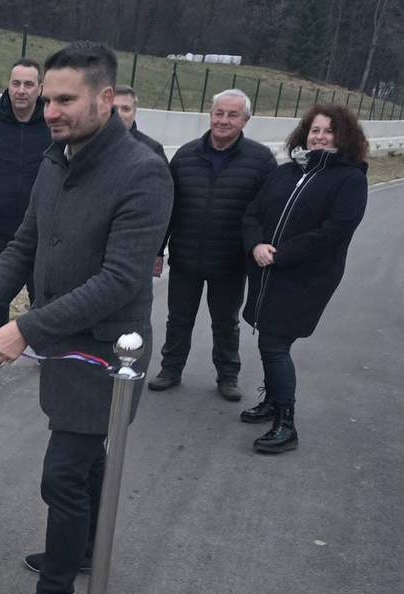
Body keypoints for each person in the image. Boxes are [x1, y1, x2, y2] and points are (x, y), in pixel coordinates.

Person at [0, 42, 171, 594]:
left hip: (106, 355)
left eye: (64, 99)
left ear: (105, 99)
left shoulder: (143, 173)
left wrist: (27, 328)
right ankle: (80, 547)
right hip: (61, 344)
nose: (50, 111)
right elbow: (26, 240)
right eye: (46, 98)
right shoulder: (56, 159)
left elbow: (119, 280)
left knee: (63, 474)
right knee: (87, 466)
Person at [241, 104, 370, 453]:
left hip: (305, 276)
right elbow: (252, 212)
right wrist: (255, 244)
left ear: (343, 137)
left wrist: (280, 254)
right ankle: (272, 402)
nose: (320, 137)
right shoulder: (285, 172)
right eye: (315, 130)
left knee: (275, 343)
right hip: (266, 268)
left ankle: (286, 424)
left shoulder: (350, 179)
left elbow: (334, 232)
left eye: (328, 131)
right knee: (269, 338)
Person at [148, 89, 277, 401]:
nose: (223, 120)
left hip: (230, 262)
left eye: (232, 115)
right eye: (219, 113)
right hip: (185, 257)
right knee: (178, 318)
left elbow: (267, 213)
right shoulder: (186, 156)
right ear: (210, 115)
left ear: (245, 120)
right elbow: (169, 207)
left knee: (226, 322)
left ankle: (228, 376)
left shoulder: (261, 162)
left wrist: (259, 248)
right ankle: (171, 369)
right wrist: (157, 250)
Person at [0, 59, 53, 375]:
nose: (21, 90)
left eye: (29, 84)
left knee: (41, 291)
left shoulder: (50, 125)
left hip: (41, 229)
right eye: (16, 83)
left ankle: (42, 347)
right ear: (9, 86)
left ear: (40, 89)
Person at [112, 85, 167, 162]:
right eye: (113, 108)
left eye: (126, 109)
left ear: (134, 112)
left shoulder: (153, 150)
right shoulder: (92, 143)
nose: (119, 114)